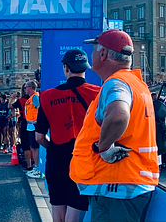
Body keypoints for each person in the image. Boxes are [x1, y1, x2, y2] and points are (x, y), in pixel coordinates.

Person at [71, 29, 159, 222]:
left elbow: (118, 116)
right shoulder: (136, 84)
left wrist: (103, 148)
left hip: (116, 186)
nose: (91, 55)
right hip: (129, 182)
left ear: (103, 54)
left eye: (94, 50)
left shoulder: (115, 83)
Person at [36, 48, 100, 222]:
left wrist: (55, 147)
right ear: (85, 68)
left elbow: (39, 137)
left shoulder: (47, 96)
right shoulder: (97, 93)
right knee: (75, 216)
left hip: (57, 160)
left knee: (58, 214)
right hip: (85, 160)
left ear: (66, 68)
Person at [23, 81, 43, 177]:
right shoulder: (30, 98)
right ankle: (36, 166)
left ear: (30, 88)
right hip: (30, 125)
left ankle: (38, 167)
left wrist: (36, 121)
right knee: (33, 147)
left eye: (26, 87)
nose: (25, 89)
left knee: (36, 147)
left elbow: (39, 108)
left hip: (34, 125)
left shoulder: (35, 97)